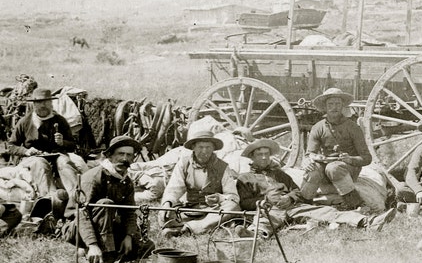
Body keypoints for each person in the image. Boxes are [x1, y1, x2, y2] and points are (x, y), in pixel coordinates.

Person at [236, 139, 396, 237]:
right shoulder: (245, 178)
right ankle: (253, 235)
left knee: (327, 212)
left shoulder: (279, 173)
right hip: (270, 209)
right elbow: (244, 202)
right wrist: (264, 201)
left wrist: (290, 197)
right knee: (266, 220)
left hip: (293, 207)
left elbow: (296, 190)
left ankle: (369, 222)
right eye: (259, 154)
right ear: (252, 157)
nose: (264, 157)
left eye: (266, 153)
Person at [59, 136, 155, 263]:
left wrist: (128, 236)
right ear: (109, 156)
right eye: (120, 154)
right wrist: (92, 244)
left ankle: (105, 253)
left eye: (129, 155)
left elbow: (129, 212)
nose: (124, 159)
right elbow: (81, 214)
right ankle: (102, 258)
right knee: (106, 204)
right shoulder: (93, 178)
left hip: (107, 224)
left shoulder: (126, 181)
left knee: (146, 247)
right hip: (77, 226)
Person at [158, 130, 240, 238]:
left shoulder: (223, 167)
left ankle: (187, 229)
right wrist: (167, 204)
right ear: (193, 147)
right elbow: (174, 189)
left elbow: (233, 196)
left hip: (213, 210)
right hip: (189, 209)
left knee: (233, 207)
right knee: (164, 215)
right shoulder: (184, 163)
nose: (204, 151)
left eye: (208, 147)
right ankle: (207, 225)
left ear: (213, 149)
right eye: (200, 147)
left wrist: (219, 198)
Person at [301, 88, 372, 211]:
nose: (334, 107)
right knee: (313, 170)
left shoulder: (352, 127)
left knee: (334, 168)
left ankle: (356, 204)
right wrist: (311, 159)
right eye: (330, 104)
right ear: (325, 106)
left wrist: (350, 159)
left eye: (338, 104)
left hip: (348, 170)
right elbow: (309, 154)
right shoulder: (318, 127)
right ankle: (303, 205)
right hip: (326, 169)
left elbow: (367, 158)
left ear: (343, 105)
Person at [7, 88, 79, 205]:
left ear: (51, 103)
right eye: (39, 102)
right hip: (33, 158)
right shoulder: (25, 122)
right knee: (40, 164)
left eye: (46, 102)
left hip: (57, 155)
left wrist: (63, 143)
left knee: (65, 163)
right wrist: (26, 151)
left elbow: (72, 145)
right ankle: (50, 200)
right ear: (34, 104)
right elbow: (11, 146)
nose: (43, 105)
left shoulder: (60, 120)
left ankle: (76, 199)